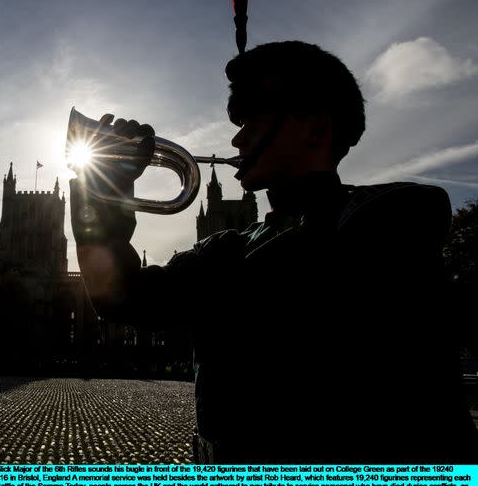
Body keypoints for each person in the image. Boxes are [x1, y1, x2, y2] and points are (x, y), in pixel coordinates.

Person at [70, 41, 478, 462]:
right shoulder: (228, 248)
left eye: (253, 120)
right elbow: (120, 296)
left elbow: (317, 270)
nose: (237, 137)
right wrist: (98, 190)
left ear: (316, 128)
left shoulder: (385, 223)